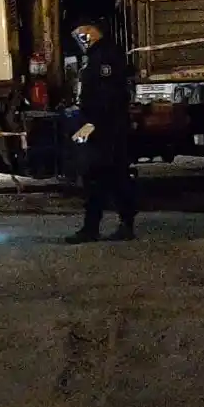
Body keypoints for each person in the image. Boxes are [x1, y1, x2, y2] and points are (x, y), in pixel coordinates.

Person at [66, 16, 137, 243]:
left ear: (92, 31)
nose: (78, 38)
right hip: (103, 127)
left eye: (80, 33)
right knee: (105, 177)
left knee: (106, 177)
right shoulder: (95, 56)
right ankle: (100, 226)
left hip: (107, 128)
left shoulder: (105, 56)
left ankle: (104, 227)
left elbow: (107, 98)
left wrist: (90, 125)